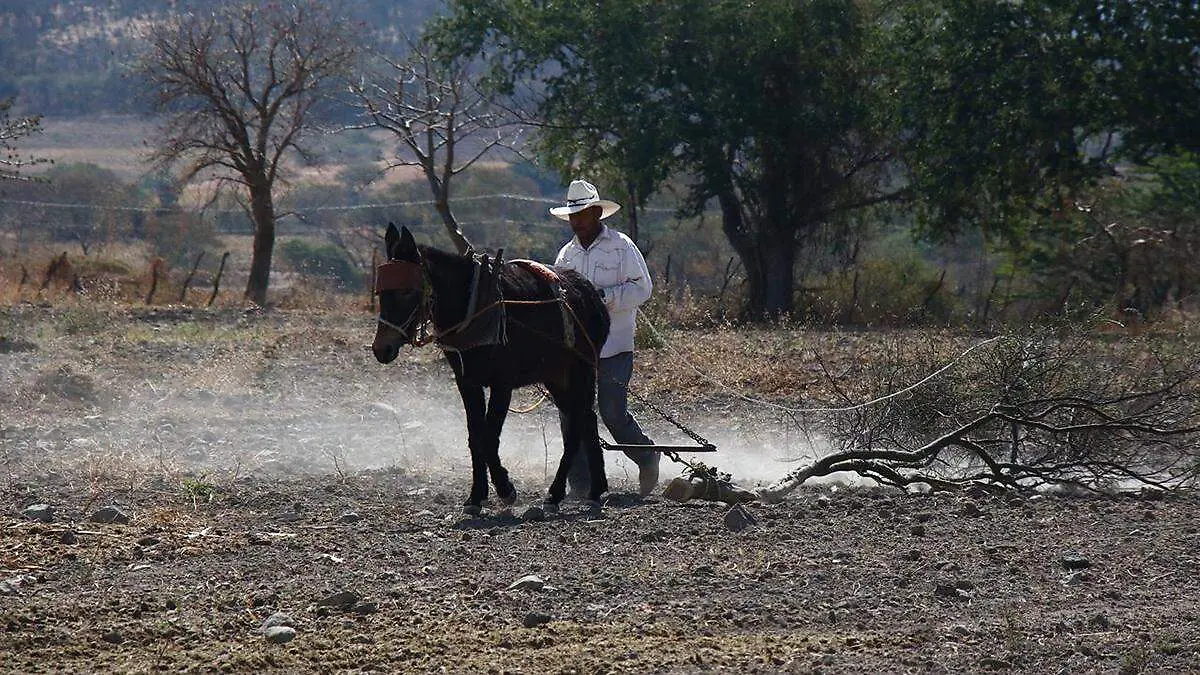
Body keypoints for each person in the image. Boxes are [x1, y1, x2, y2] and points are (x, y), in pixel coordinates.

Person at [550, 179, 659, 497]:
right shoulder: (566, 256)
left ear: (597, 213)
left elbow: (642, 289)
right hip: (577, 351)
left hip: (615, 345)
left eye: (582, 214)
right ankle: (580, 485)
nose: (577, 221)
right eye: (573, 215)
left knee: (612, 413)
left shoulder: (621, 246)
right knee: (571, 414)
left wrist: (604, 297)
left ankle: (646, 456)